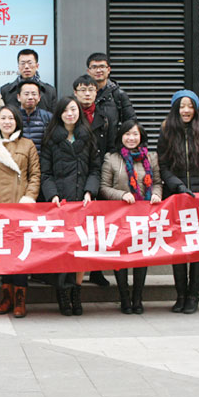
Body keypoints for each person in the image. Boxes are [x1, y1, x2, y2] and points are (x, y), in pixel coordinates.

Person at [157, 90, 199, 314]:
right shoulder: (166, 132)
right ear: (175, 109)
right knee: (178, 248)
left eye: (190, 106)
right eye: (182, 106)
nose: (186, 110)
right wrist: (177, 186)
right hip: (176, 197)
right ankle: (180, 295)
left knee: (198, 249)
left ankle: (194, 295)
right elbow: (163, 166)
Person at [40, 96, 100, 316]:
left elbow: (95, 169)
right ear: (59, 114)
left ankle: (77, 292)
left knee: (81, 249)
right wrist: (52, 195)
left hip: (82, 202)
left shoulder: (88, 136)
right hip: (60, 203)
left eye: (73, 109)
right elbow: (46, 173)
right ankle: (63, 293)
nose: (70, 114)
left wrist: (89, 191)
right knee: (63, 250)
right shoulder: (50, 139)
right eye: (65, 110)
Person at [0, 105, 40, 318]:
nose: (7, 122)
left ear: (17, 121)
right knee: (4, 254)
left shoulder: (28, 144)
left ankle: (20, 299)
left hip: (21, 206)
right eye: (3, 118)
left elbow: (35, 175)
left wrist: (29, 197)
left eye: (11, 118)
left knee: (20, 254)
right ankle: (6, 297)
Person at [100, 120, 162, 314]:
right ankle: (124, 297)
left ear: (141, 136)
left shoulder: (151, 157)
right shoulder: (111, 158)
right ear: (121, 137)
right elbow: (104, 187)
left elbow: (157, 182)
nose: (131, 138)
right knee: (121, 258)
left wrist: (156, 194)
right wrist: (121, 195)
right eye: (127, 134)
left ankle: (138, 298)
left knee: (141, 257)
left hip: (143, 216)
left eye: (135, 134)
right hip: (119, 216)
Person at [73, 73, 115, 288]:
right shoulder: (70, 114)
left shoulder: (105, 116)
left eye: (91, 90)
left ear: (96, 93)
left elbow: (112, 144)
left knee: (98, 225)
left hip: (100, 171)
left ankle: (97, 270)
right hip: (76, 173)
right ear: (75, 93)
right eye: (82, 90)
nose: (87, 94)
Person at [87, 52, 136, 137]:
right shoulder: (82, 95)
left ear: (108, 70)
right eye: (94, 67)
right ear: (88, 71)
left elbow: (131, 123)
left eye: (102, 67)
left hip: (112, 144)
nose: (98, 70)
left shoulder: (119, 95)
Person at [16, 79, 52, 153]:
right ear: (18, 97)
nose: (30, 97)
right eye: (26, 94)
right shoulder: (13, 117)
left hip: (41, 159)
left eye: (34, 94)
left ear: (39, 97)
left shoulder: (47, 117)